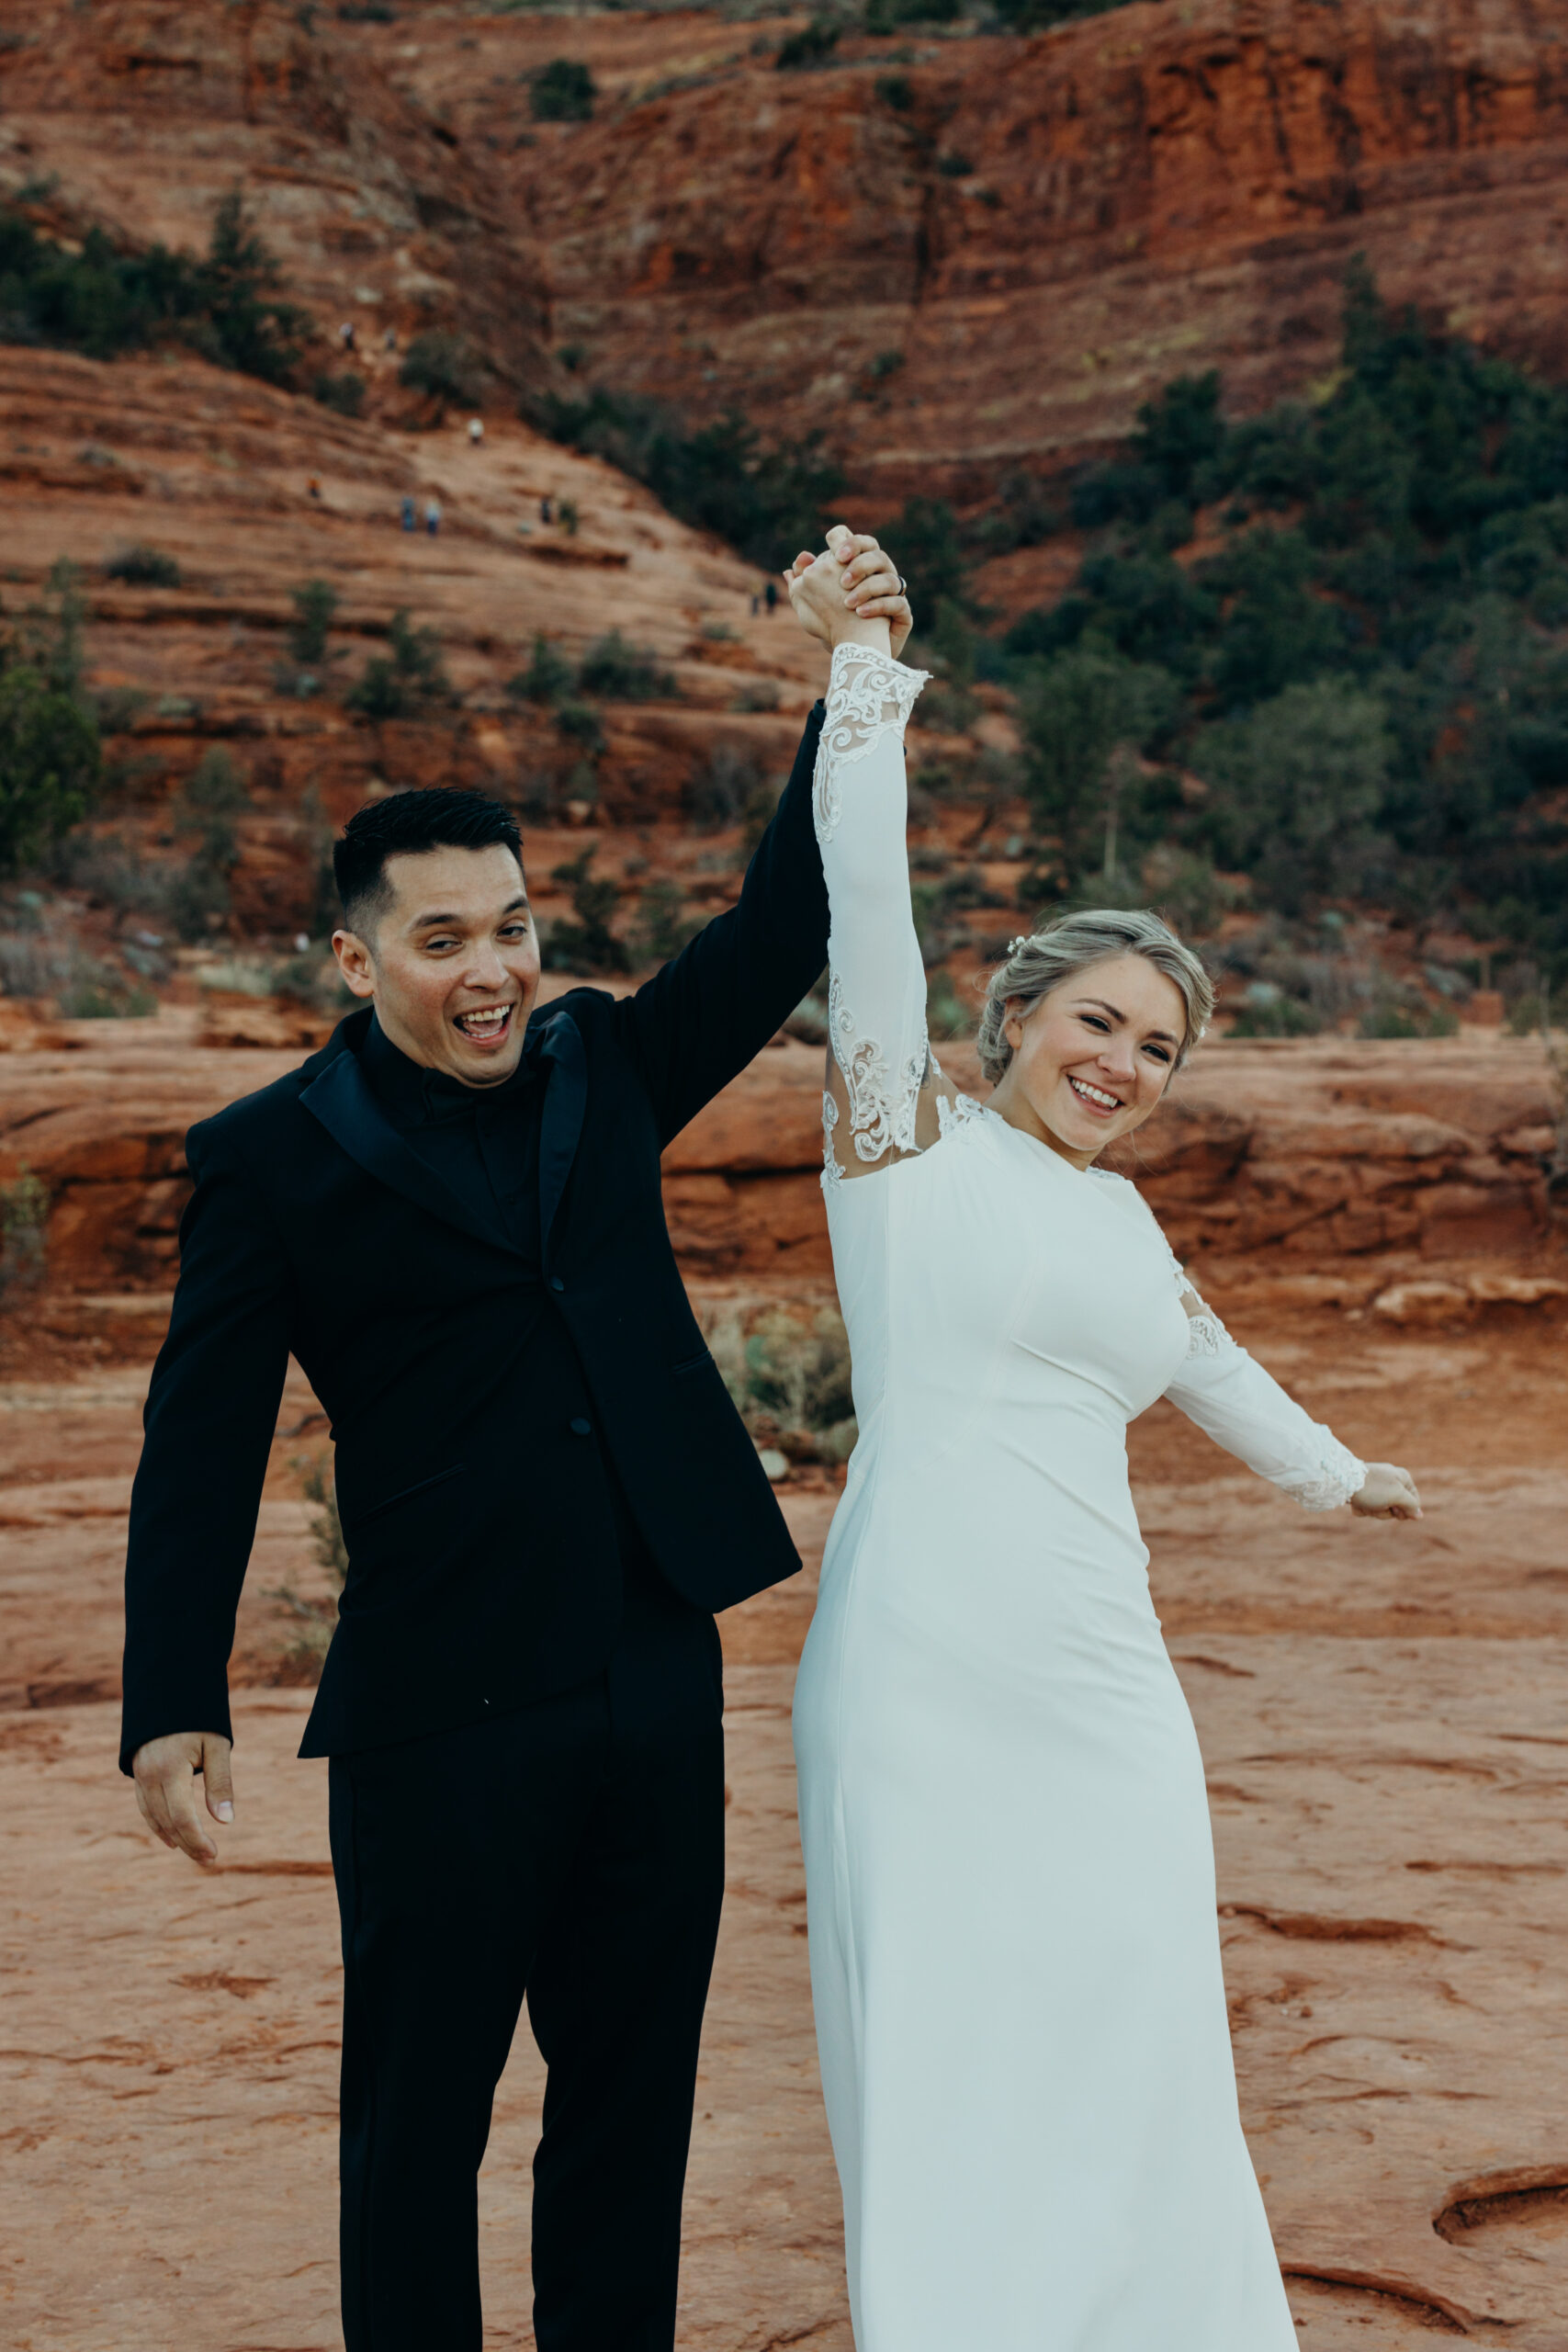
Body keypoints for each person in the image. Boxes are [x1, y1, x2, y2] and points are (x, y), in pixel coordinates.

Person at [118, 542, 911, 2352]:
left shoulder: (603, 1067)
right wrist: (172, 1689)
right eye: (443, 938)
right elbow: (201, 1433)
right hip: (435, 1708)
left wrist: (849, 673)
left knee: (626, 2119)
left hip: (653, 1663)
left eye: (516, 929)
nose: (493, 972)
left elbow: (784, 926)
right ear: (353, 950)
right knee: (415, 2131)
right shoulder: (270, 1155)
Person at [782, 533, 1423, 2351]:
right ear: (1010, 1019)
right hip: (922, 1657)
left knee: (1130, 2016)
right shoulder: (900, 1136)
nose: (1124, 1063)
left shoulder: (1125, 1227)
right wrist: (862, 678)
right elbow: (868, 906)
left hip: (1103, 1680)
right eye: (1096, 1021)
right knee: (944, 2036)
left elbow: (1203, 1356)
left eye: (1158, 1048)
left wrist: (1333, 1472)